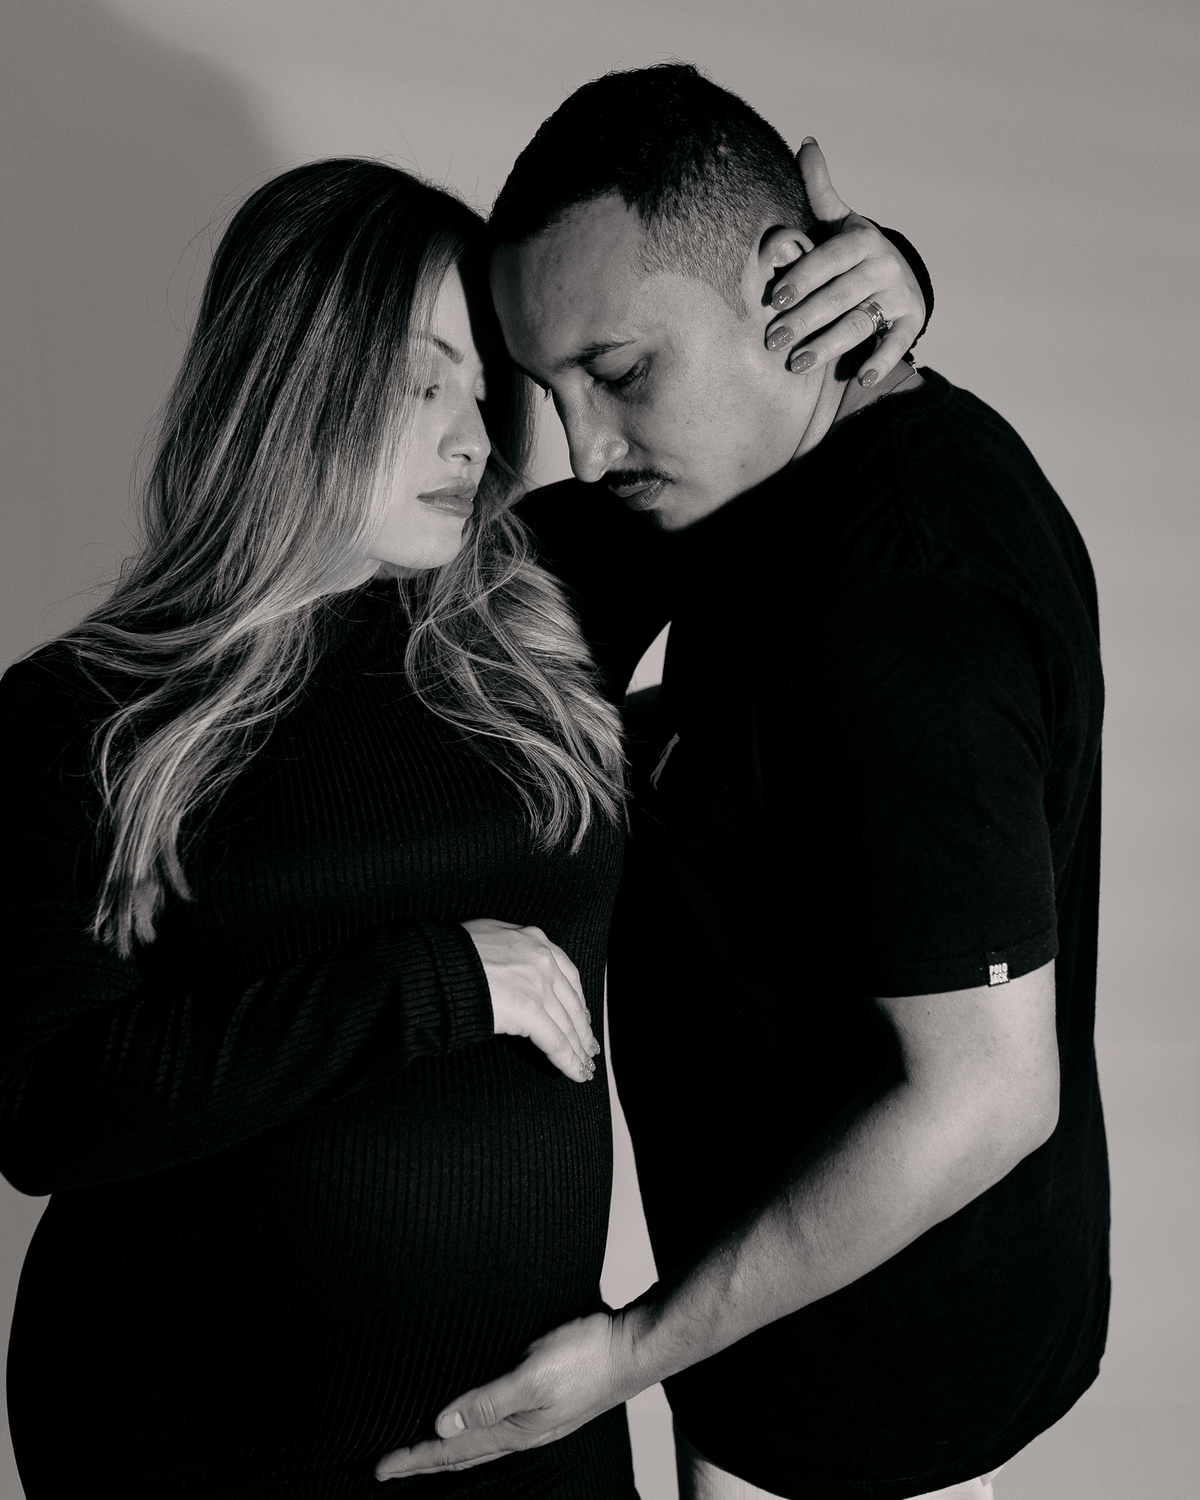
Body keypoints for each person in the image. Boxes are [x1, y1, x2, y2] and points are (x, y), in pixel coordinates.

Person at [0, 155, 924, 1498]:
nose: (474, 437)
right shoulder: (87, 710)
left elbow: (770, 436)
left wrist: (881, 289)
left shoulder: (548, 594)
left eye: (485, 388)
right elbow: (39, 1112)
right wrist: (424, 985)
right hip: (187, 1438)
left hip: (525, 1425)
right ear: (293, 379)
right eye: (418, 382)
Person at [376, 66, 1108, 1500]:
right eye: (550, 390)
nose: (585, 447)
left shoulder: (905, 604)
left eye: (620, 372)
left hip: (871, 1375)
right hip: (782, 1315)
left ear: (786, 287)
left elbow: (984, 1096)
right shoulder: (770, 473)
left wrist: (632, 1350)